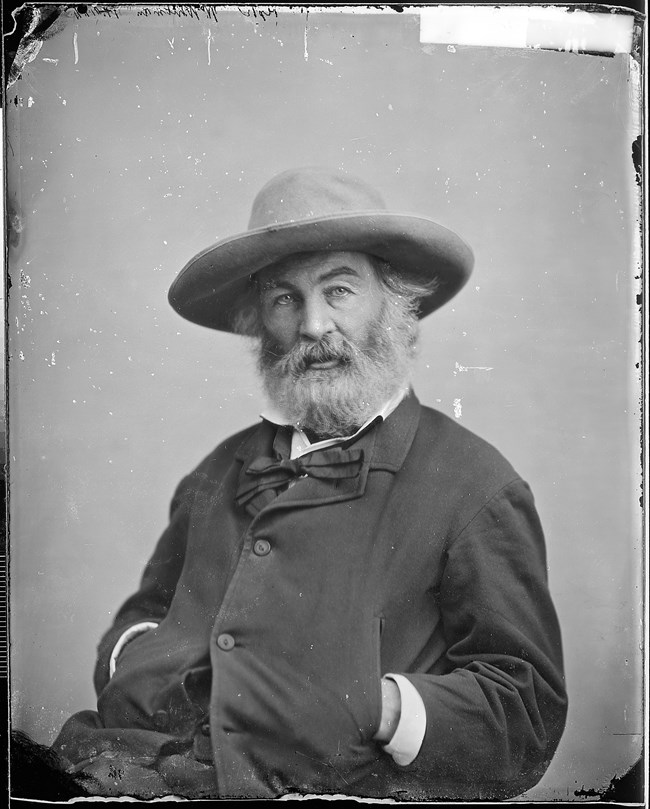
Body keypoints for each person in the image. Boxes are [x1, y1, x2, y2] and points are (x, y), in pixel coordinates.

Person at [51, 167, 567, 800]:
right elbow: (145, 616)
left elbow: (526, 712)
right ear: (259, 323)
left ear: (396, 305)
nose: (314, 325)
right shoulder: (218, 471)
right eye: (284, 299)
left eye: (340, 290)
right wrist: (148, 667)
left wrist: (375, 705)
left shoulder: (475, 484)